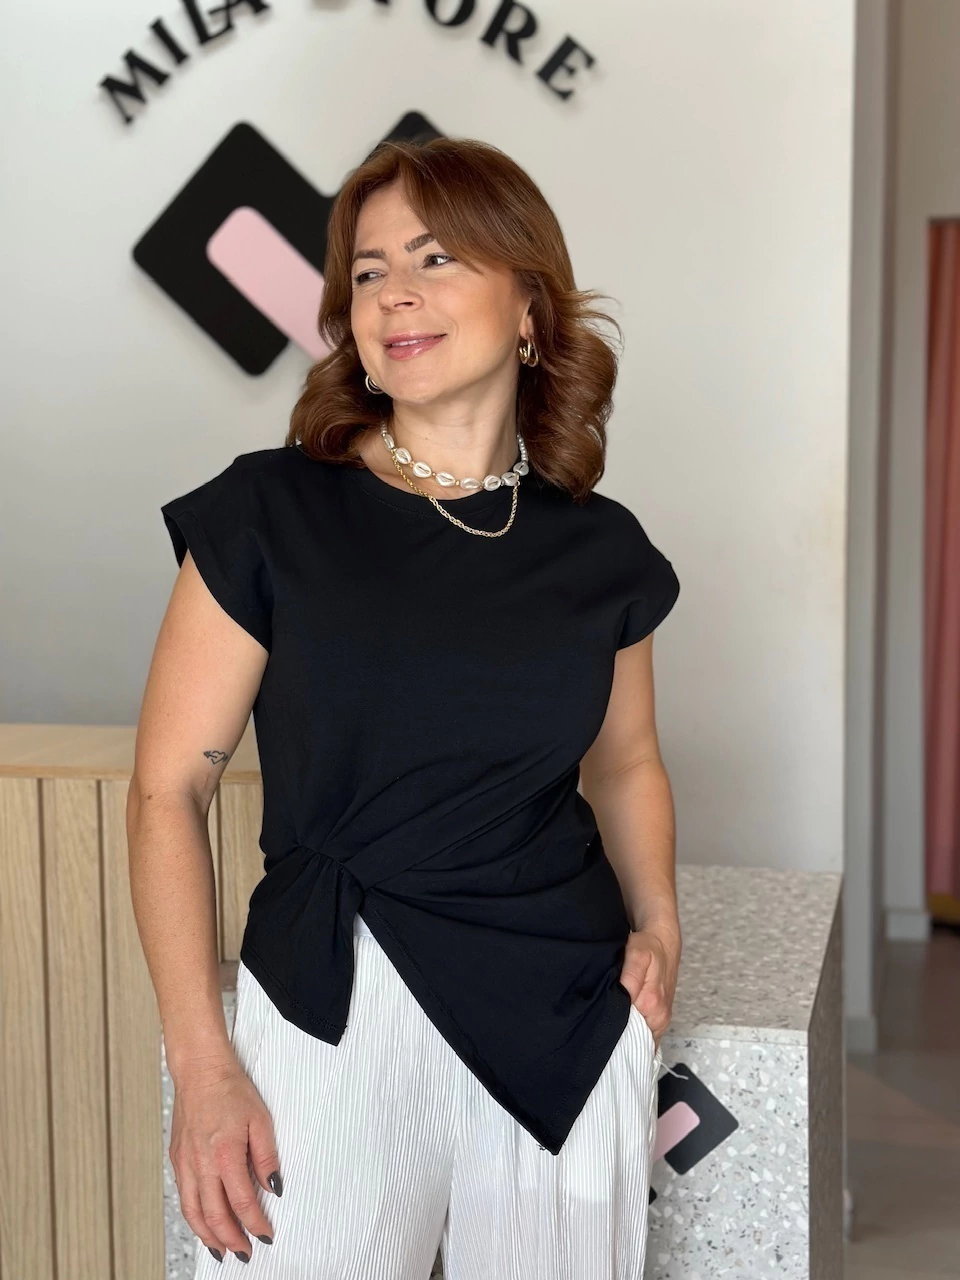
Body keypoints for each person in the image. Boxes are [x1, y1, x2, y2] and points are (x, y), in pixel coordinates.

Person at [129, 135, 682, 1280]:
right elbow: (167, 789)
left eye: (435, 258)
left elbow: (625, 760)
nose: (394, 294)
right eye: (370, 270)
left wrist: (661, 922)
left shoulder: (601, 549)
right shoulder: (270, 512)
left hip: (567, 1010)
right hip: (331, 1002)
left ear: (529, 307)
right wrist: (203, 1061)